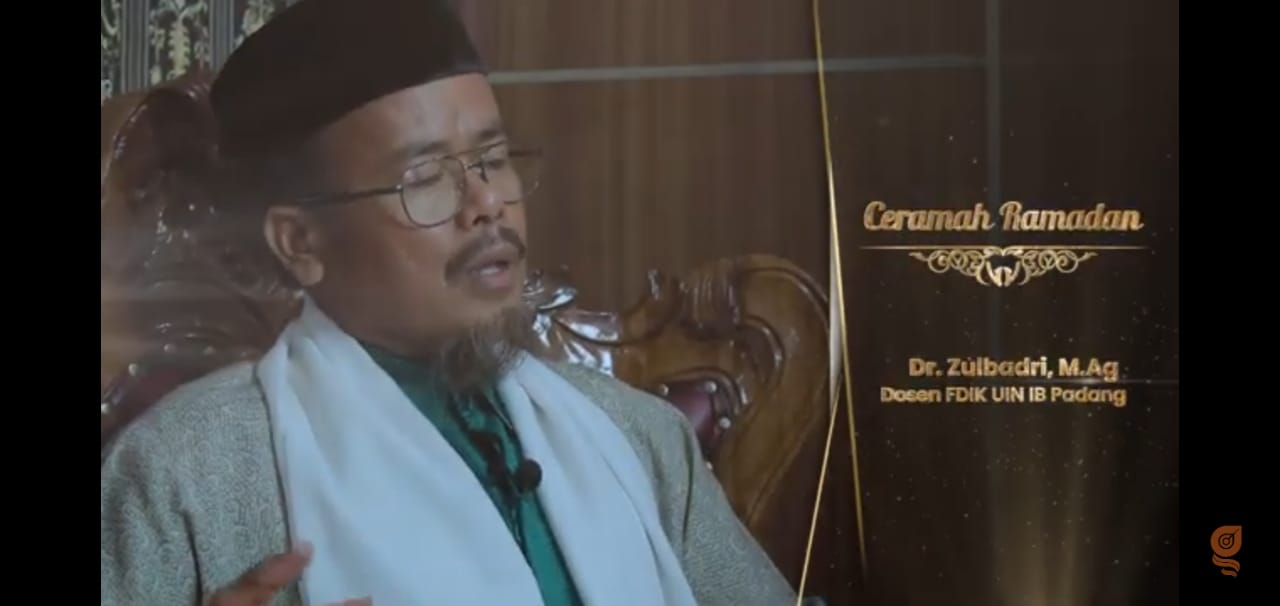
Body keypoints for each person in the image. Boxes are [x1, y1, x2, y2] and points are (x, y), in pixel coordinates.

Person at [98, 0, 798, 604]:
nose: (488, 203)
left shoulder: (634, 437)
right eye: (426, 178)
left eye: (492, 160)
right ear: (301, 242)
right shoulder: (187, 472)